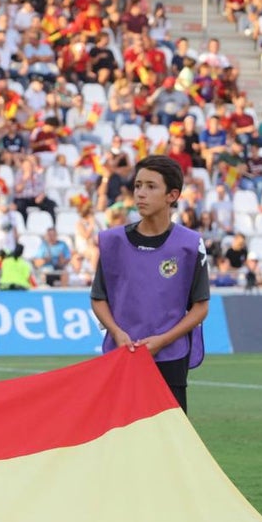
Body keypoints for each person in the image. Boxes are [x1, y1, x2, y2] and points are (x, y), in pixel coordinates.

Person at [91, 155, 210, 413]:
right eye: (138, 185)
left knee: (169, 437)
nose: (140, 193)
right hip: (122, 355)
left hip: (170, 357)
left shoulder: (190, 245)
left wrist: (163, 340)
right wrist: (117, 333)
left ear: (172, 195)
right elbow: (98, 298)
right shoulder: (113, 242)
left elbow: (201, 307)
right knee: (120, 434)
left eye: (151, 186)